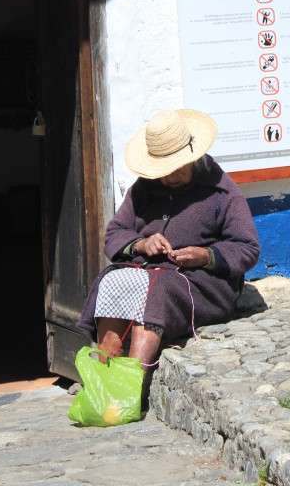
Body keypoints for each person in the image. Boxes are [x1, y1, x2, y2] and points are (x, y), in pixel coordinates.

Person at [78, 108, 260, 388]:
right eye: (162, 171)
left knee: (158, 289)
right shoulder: (143, 189)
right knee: (113, 279)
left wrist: (206, 256)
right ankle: (101, 384)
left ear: (193, 156)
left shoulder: (221, 190)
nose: (169, 177)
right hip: (148, 271)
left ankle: (130, 388)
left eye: (176, 169)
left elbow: (247, 247)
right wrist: (141, 243)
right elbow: (115, 232)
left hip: (201, 285)